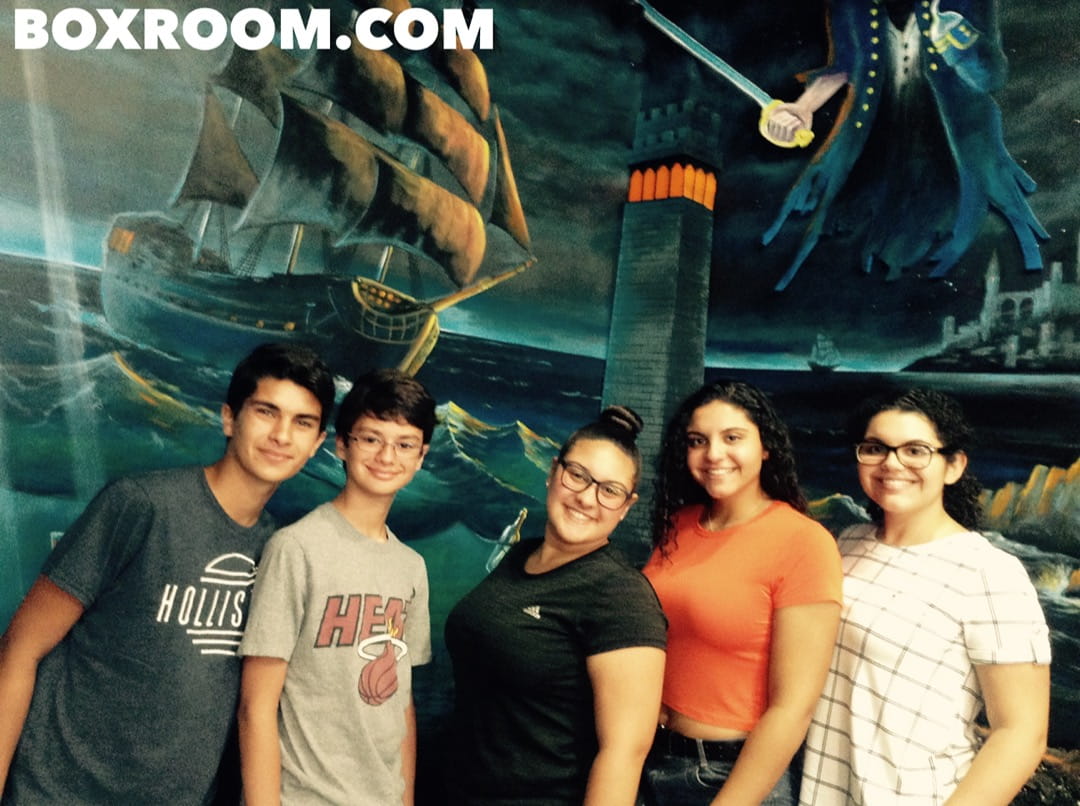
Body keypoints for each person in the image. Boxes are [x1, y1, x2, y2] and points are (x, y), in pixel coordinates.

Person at [0, 342, 335, 805]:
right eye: (266, 411)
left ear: (317, 444)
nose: (281, 435)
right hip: (60, 793)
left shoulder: (281, 552)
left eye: (302, 422)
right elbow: (20, 648)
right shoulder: (141, 504)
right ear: (229, 418)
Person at [799, 388, 1051, 805]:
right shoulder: (846, 543)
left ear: (954, 466)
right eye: (875, 448)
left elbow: (1021, 734)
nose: (891, 463)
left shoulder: (990, 573)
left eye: (915, 450)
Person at [443, 406, 667, 806]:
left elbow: (623, 753)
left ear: (626, 507)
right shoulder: (521, 555)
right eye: (577, 475)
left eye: (609, 490)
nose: (586, 498)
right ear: (553, 471)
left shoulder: (621, 597)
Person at [237, 369, 436, 806]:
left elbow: (401, 704)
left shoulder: (411, 568)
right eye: (371, 438)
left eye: (405, 444)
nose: (387, 456)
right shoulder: (296, 548)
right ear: (342, 444)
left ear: (421, 456)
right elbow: (256, 706)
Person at [641, 380, 842, 806]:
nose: (713, 454)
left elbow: (793, 709)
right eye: (698, 441)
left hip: (731, 776)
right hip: (651, 761)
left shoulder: (803, 542)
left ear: (765, 447)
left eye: (732, 438)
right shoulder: (678, 524)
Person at [760, 0, 1046, 290]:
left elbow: (991, 77)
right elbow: (845, 64)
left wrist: (955, 37)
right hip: (875, 143)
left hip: (952, 150)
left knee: (940, 252)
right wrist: (803, 108)